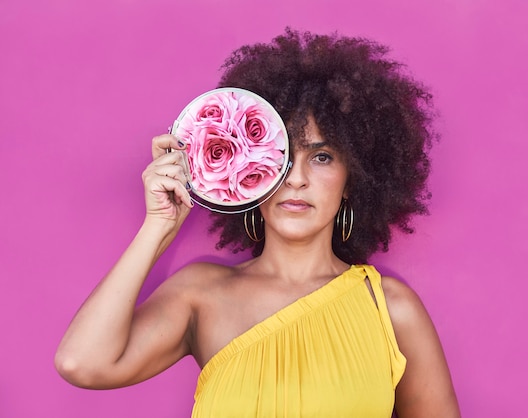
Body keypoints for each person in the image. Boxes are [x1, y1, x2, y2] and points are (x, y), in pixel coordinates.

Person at [55, 29, 461, 417]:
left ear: (352, 179)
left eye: (321, 157)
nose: (297, 178)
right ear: (243, 167)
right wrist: (159, 224)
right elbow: (81, 362)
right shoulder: (201, 294)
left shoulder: (389, 308)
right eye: (281, 156)